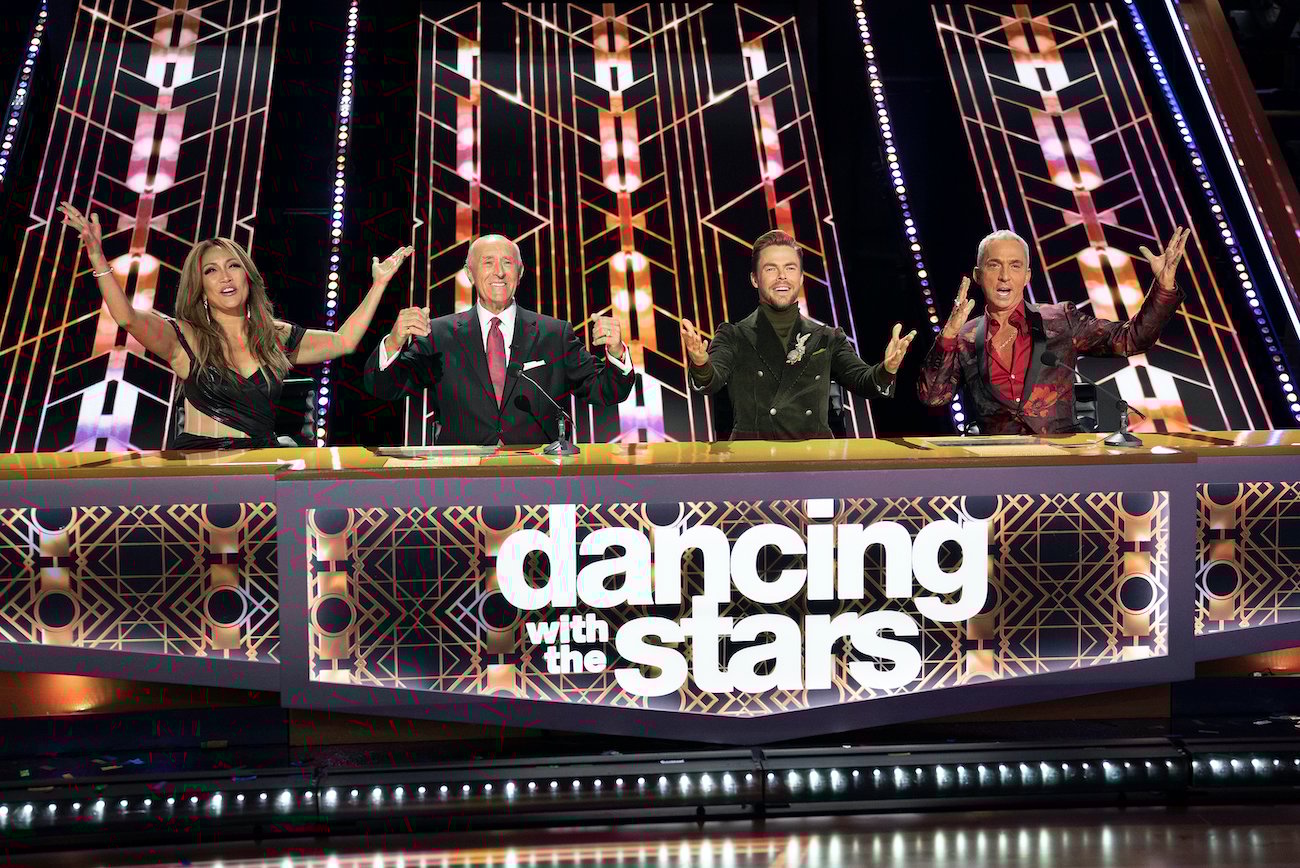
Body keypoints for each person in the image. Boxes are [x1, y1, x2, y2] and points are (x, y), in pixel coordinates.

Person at [58, 201, 412, 449]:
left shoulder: (275, 336)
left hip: (260, 463)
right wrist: (97, 258)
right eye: (211, 271)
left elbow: (344, 341)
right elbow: (127, 318)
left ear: (247, 276)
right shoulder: (184, 336)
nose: (225, 277)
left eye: (233, 266)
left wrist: (378, 284)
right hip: (200, 467)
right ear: (200, 288)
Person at [363, 234, 635, 445]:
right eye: (487, 262)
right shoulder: (440, 334)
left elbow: (607, 391)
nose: (499, 272)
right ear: (469, 273)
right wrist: (394, 343)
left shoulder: (554, 333)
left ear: (520, 272)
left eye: (507, 263)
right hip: (461, 479)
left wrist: (616, 352)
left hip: (538, 475)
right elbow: (384, 388)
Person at [917, 228, 1188, 435]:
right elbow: (933, 397)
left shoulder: (1060, 320)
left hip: (1061, 462)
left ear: (1027, 276)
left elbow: (1130, 339)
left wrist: (1164, 287)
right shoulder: (964, 337)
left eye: (1015, 265)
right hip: (997, 466)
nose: (1004, 276)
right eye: (994, 265)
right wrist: (948, 335)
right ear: (978, 275)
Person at [679, 230, 915, 440]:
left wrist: (887, 368)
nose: (782, 276)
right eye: (771, 268)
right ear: (754, 279)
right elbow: (711, 380)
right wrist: (701, 364)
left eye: (790, 268)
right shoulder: (733, 335)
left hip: (815, 463)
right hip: (754, 461)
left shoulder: (828, 338)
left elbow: (865, 382)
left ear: (801, 278)